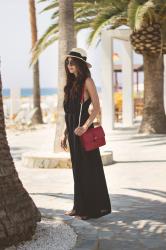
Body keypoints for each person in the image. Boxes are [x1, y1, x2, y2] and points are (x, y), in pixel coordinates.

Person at [61, 48, 111, 220]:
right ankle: (78, 207)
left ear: (80, 64)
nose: (69, 65)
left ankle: (91, 210)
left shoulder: (87, 81)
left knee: (88, 170)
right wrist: (65, 132)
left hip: (83, 131)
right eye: (68, 63)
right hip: (73, 132)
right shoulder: (70, 85)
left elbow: (96, 107)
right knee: (77, 171)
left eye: (72, 62)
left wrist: (84, 126)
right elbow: (69, 113)